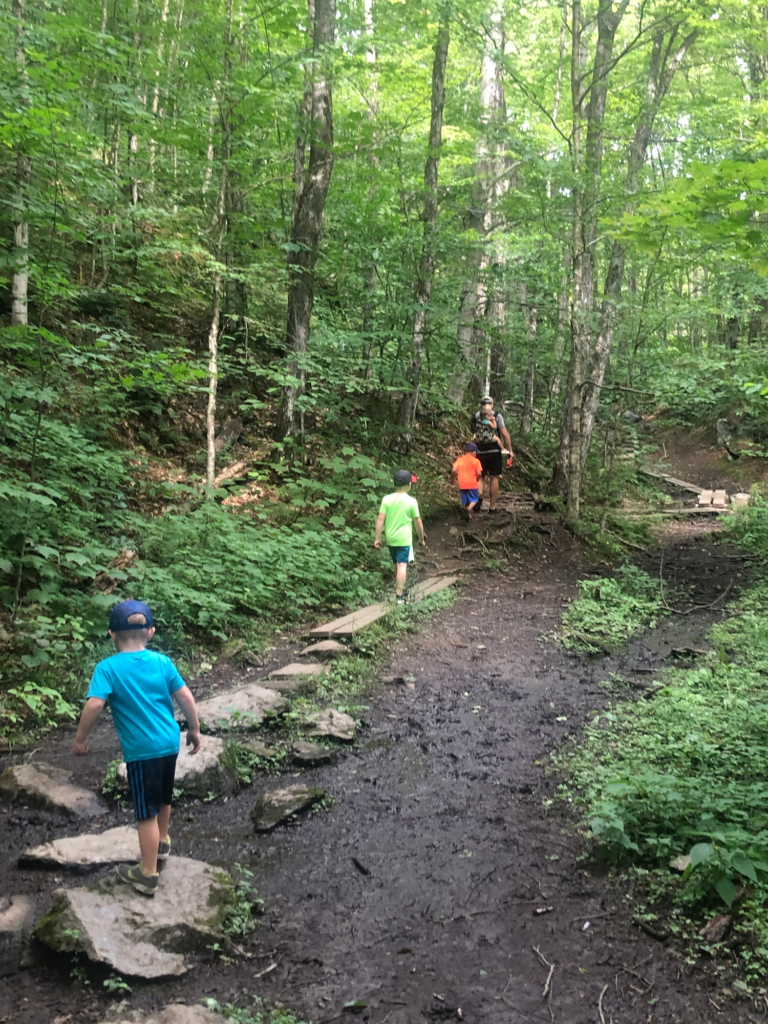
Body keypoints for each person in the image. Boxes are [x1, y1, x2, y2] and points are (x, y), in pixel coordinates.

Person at [73, 599, 202, 896]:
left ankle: (147, 873)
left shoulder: (107, 668)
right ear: (152, 632)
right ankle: (163, 841)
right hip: (169, 742)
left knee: (145, 813)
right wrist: (193, 728)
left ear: (111, 634)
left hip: (142, 752)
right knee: (164, 796)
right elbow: (185, 696)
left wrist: (80, 738)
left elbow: (95, 704)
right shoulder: (162, 662)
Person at [373, 469, 426, 605]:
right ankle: (399, 595)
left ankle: (398, 587)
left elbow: (380, 519)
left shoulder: (387, 499)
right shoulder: (411, 502)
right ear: (408, 484)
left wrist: (377, 538)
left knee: (396, 563)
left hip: (391, 538)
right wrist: (421, 539)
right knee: (402, 565)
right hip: (404, 540)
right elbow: (418, 522)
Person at [471, 396, 514, 513]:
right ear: (492, 405)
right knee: (494, 478)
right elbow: (504, 434)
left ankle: (478, 498)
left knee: (480, 477)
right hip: (494, 451)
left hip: (479, 450)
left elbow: (474, 432)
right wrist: (509, 450)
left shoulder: (476, 416)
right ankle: (492, 507)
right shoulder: (496, 416)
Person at [451, 442, 484, 520]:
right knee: (475, 499)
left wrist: (452, 478)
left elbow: (453, 470)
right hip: (472, 483)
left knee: (465, 500)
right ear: (473, 452)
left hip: (462, 483)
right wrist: (478, 478)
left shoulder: (459, 459)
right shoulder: (476, 461)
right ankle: (469, 509)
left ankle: (468, 516)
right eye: (476, 452)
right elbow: (479, 473)